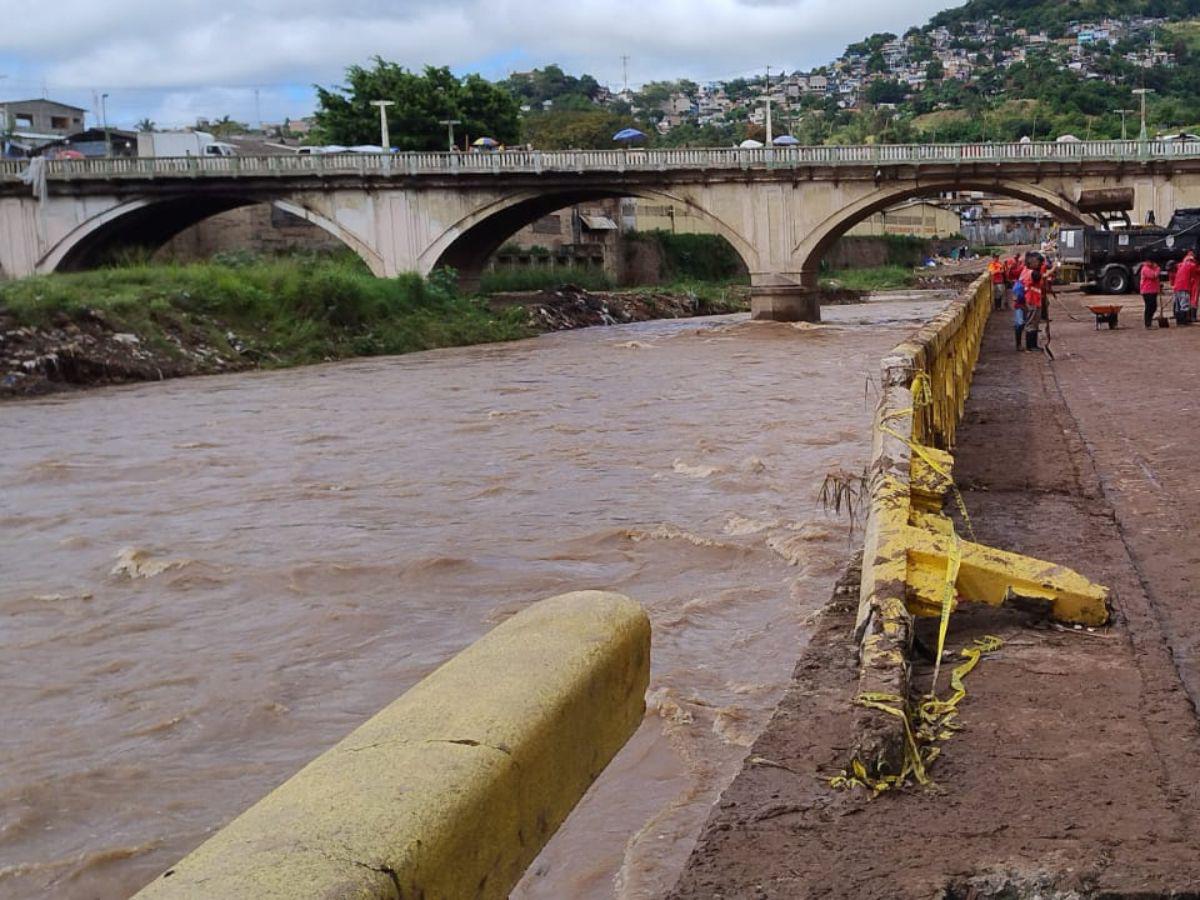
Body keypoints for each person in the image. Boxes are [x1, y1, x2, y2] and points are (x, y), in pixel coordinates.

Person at [1020, 260, 1044, 351]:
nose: (1038, 264)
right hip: (1032, 300)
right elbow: (1042, 276)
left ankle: (1033, 345)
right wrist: (1054, 268)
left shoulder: (1026, 271)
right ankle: (1031, 346)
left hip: (1034, 299)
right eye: (1037, 262)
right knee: (1032, 323)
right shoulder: (1033, 273)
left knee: (1034, 323)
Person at [1173, 251, 1197, 325]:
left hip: (1176, 287)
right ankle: (1183, 321)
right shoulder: (1190, 265)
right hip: (1184, 287)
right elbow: (1195, 271)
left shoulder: (1180, 265)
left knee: (1178, 306)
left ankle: (1178, 321)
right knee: (1184, 305)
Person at [1139, 258, 1162, 328]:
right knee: (1149, 307)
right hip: (1147, 291)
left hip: (1153, 290)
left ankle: (1149, 321)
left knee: (1153, 307)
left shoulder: (1151, 268)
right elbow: (1153, 276)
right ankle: (1148, 323)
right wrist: (1158, 269)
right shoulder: (1145, 269)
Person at [1012, 275, 1027, 351]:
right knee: (1020, 323)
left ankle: (1020, 344)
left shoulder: (1019, 284)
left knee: (1023, 324)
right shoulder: (1019, 286)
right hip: (1020, 306)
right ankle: (1018, 344)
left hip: (1025, 305)